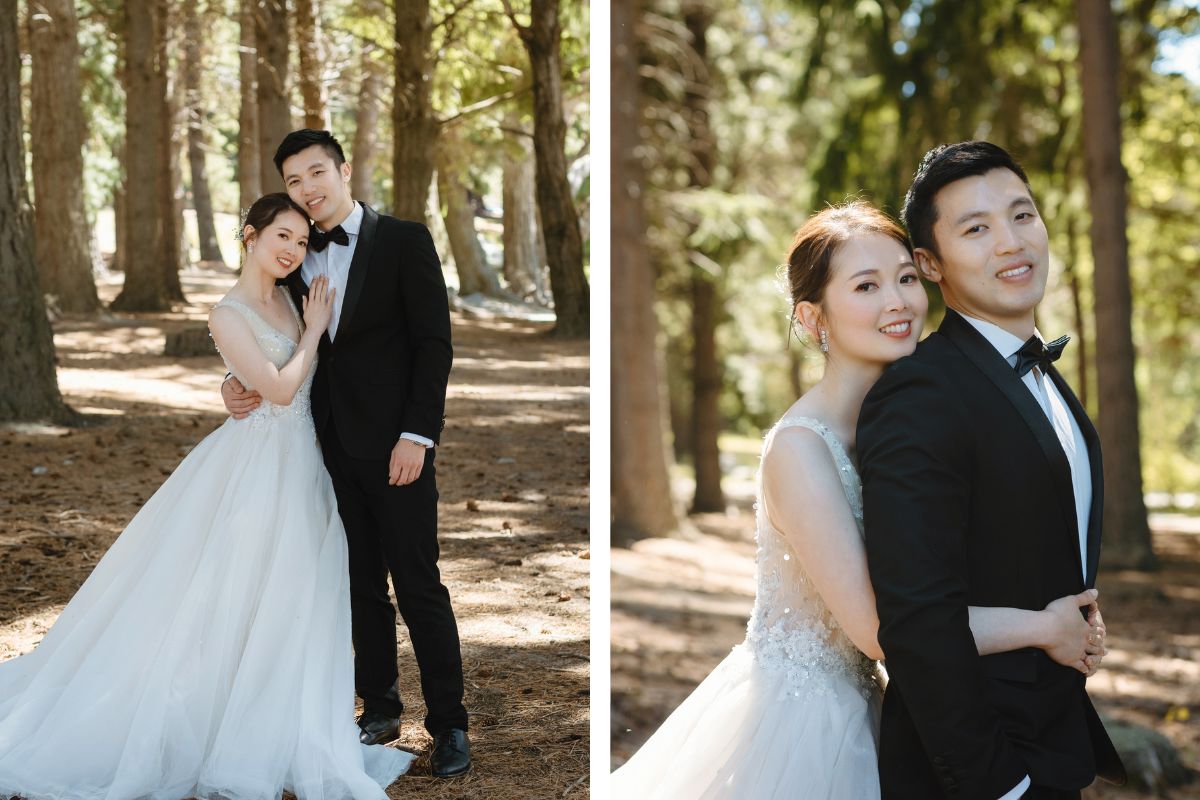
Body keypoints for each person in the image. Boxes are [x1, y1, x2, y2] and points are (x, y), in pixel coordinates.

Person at [609, 201, 1109, 799]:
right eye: (866, 286)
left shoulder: (913, 425)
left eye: (904, 278)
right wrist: (1041, 627)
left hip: (893, 708)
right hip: (808, 724)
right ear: (814, 317)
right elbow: (879, 631)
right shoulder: (801, 450)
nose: (897, 302)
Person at [0, 193, 413, 799]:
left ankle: (273, 723)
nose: (294, 250)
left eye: (302, 242)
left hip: (308, 461)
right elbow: (274, 388)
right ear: (250, 235)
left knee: (295, 596)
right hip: (256, 466)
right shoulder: (228, 312)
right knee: (231, 592)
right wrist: (303, 340)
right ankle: (208, 725)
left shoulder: (296, 296)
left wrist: (256, 365)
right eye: (283, 237)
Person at [859, 141, 1127, 799]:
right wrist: (1001, 786)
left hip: (1055, 744)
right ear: (930, 264)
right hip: (979, 770)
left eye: (1022, 216)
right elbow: (919, 621)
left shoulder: (1045, 378)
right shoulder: (922, 392)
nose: (1011, 242)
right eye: (976, 229)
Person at [221, 130, 470, 777]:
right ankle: (379, 708)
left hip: (397, 449)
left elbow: (432, 345)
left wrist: (418, 435)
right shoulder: (294, 255)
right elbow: (270, 334)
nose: (307, 189)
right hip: (325, 447)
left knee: (418, 585)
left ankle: (449, 726)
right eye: (294, 180)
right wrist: (234, 381)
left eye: (315, 173)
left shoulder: (405, 241)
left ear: (343, 169)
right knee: (360, 585)